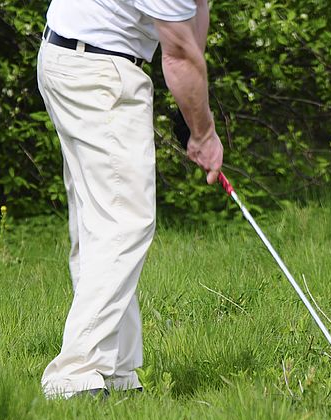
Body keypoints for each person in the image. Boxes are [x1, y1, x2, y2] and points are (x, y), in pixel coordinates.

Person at [37, 0, 223, 398]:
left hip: (70, 56)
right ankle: (74, 376)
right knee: (124, 221)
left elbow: (196, 14)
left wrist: (188, 109)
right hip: (98, 73)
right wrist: (203, 133)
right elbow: (177, 54)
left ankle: (118, 372)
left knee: (99, 222)